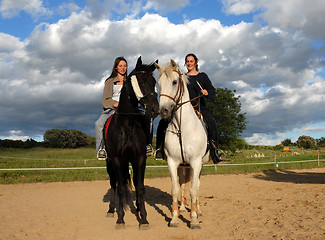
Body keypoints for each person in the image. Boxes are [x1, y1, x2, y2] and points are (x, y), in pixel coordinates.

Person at [155, 53, 221, 163]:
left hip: (199, 106)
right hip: (182, 107)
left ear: (196, 62)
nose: (189, 63)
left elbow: (213, 92)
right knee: (163, 122)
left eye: (191, 61)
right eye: (187, 61)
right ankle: (159, 149)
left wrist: (206, 92)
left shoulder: (202, 76)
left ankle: (215, 151)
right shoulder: (182, 77)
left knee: (211, 121)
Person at [95, 57, 153, 160]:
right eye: (120, 66)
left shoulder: (131, 80)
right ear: (116, 67)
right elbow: (105, 100)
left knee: (148, 119)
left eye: (125, 66)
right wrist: (115, 104)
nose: (123, 68)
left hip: (130, 108)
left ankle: (148, 145)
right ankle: (101, 149)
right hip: (114, 108)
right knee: (98, 124)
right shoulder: (110, 81)